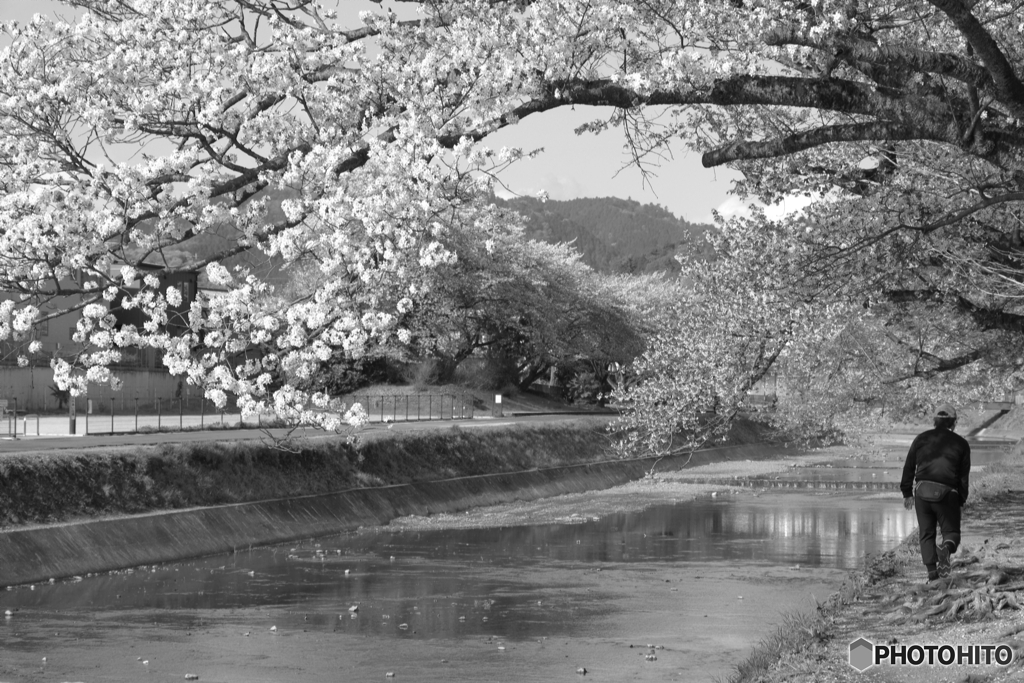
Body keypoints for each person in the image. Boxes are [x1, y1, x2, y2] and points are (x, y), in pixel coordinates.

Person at [900, 405, 971, 581]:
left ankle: (932, 573)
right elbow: (963, 476)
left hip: (922, 492)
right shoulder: (961, 443)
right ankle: (946, 549)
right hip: (947, 493)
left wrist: (907, 493)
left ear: (934, 421)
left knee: (926, 533)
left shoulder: (921, 439)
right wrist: (961, 499)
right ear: (954, 423)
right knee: (951, 532)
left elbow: (909, 467)